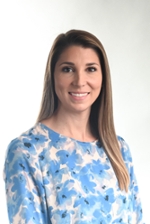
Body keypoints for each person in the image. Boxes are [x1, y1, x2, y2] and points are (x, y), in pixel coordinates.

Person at [4, 29, 144, 224]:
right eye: (68, 69)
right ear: (53, 76)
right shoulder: (27, 152)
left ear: (103, 78)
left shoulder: (119, 150)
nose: (80, 81)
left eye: (91, 69)